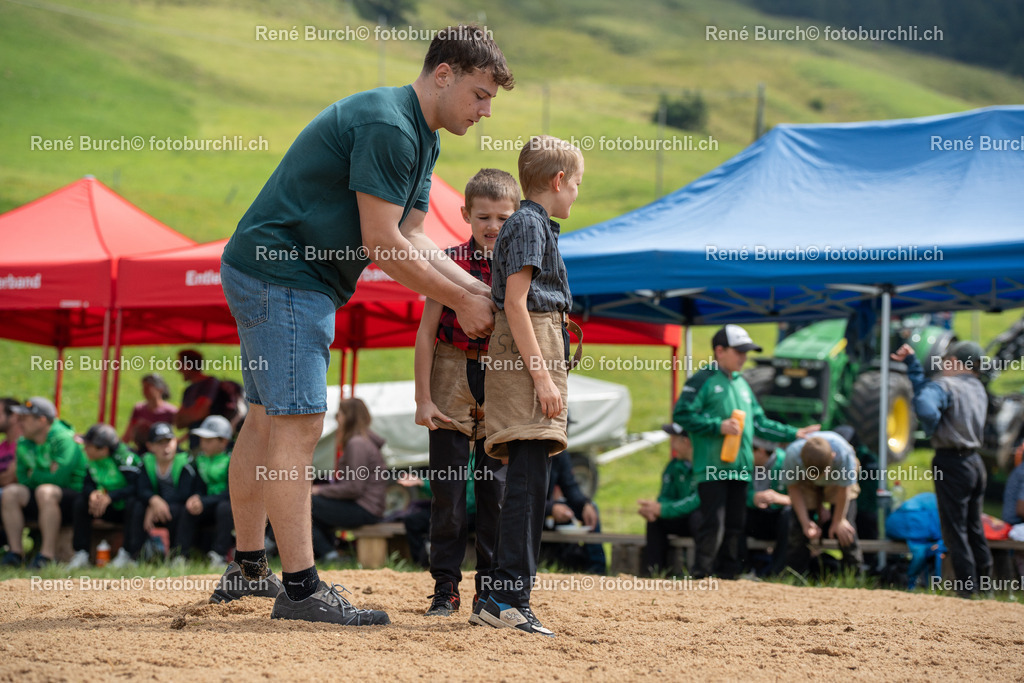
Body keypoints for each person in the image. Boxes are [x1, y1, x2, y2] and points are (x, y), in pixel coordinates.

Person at [215, 26, 513, 626]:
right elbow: (382, 246)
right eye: (480, 95)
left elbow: (416, 235)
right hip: (289, 275)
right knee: (298, 422)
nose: (485, 112)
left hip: (264, 268)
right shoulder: (390, 126)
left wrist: (477, 289)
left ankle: (248, 570)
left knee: (268, 415)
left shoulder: (420, 135)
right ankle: (299, 590)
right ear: (445, 73)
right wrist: (461, 303)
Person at [479, 135, 583, 637]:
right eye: (577, 184)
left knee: (530, 476)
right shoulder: (526, 225)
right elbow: (516, 303)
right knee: (525, 479)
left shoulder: (534, 225)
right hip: (527, 354)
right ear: (558, 181)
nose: (576, 193)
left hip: (539, 344)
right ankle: (507, 595)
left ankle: (502, 592)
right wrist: (542, 376)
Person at [413, 168, 517, 618]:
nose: (492, 226)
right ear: (466, 215)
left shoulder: (521, 266)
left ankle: (489, 589)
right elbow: (426, 334)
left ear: (515, 218)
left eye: (501, 217)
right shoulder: (447, 261)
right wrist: (423, 398)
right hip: (451, 372)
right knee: (449, 493)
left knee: (494, 491)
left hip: (502, 377)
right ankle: (445, 588)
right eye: (483, 217)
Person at [673, 325, 818, 580]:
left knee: (735, 526)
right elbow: (682, 414)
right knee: (713, 524)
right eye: (739, 351)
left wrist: (793, 433)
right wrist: (718, 426)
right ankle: (701, 576)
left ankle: (729, 576)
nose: (743, 357)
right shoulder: (702, 379)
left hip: (741, 469)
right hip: (712, 468)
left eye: (746, 352)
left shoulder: (743, 384)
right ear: (720, 351)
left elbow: (760, 423)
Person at [892, 340, 992, 598]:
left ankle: (966, 592)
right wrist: (914, 365)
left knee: (953, 529)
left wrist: (932, 425)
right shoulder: (978, 387)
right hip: (975, 462)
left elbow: (924, 404)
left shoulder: (946, 384)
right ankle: (987, 588)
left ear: (956, 362)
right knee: (974, 526)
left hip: (951, 461)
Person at [0, 397, 87, 568]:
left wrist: (34, 474)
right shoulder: (24, 442)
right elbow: (23, 478)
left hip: (72, 497)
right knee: (11, 492)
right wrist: (44, 473)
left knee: (45, 491)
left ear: (42, 420)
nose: (20, 423)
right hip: (41, 494)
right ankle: (15, 553)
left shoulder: (63, 438)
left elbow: (59, 479)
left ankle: (46, 556)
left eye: (25, 418)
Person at [309, 399, 387, 561]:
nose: (337, 418)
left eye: (340, 414)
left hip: (364, 509)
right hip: (369, 507)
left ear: (349, 417)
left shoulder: (357, 444)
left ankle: (330, 555)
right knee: (312, 508)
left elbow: (353, 488)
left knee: (307, 503)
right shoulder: (363, 441)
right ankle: (329, 552)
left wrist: (319, 490)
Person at [782, 431, 863, 574]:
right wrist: (805, 521)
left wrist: (839, 520)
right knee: (797, 527)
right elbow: (793, 489)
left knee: (845, 529)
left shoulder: (844, 454)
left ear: (833, 457)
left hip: (838, 483)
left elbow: (844, 490)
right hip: (806, 480)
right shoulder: (792, 454)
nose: (821, 479)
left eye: (823, 473)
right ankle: (795, 574)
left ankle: (854, 574)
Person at [67, 424, 142, 569]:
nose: (85, 448)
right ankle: (81, 554)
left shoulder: (125, 459)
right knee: (80, 502)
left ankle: (128, 555)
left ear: (104, 449)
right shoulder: (91, 459)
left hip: (124, 508)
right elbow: (87, 484)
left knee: (135, 504)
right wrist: (92, 494)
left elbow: (136, 487)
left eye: (89, 445)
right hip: (103, 507)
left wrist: (111, 497)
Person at [639, 423, 701, 577]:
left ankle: (700, 572)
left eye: (674, 439)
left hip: (698, 519)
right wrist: (654, 509)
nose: (671, 444)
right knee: (655, 521)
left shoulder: (705, 467)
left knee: (698, 518)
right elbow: (664, 497)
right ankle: (654, 573)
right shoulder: (673, 466)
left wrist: (663, 509)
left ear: (686, 442)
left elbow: (697, 501)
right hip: (678, 516)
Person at [130, 423, 198, 562]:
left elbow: (185, 493)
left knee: (180, 510)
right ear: (150, 446)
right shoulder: (146, 462)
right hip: (156, 506)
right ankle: (134, 555)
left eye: (168, 441)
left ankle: (179, 555)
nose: (165, 447)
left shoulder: (185, 461)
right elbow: (141, 489)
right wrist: (153, 502)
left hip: (176, 507)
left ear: (176, 442)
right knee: (137, 506)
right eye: (159, 443)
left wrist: (158, 504)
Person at [177, 415, 235, 568]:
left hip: (228, 505)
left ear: (224, 441)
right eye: (202, 439)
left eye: (208, 440)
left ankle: (219, 555)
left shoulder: (233, 459)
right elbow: (198, 485)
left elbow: (232, 493)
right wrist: (195, 498)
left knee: (224, 508)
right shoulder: (200, 459)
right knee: (187, 509)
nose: (203, 444)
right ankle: (181, 555)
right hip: (207, 504)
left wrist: (204, 501)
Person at [540, 450, 605, 575]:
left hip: (548, 506)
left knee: (591, 508)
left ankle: (597, 571)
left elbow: (570, 486)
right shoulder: (528, 448)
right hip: (529, 509)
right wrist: (550, 508)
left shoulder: (559, 451)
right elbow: (521, 496)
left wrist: (584, 503)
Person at [746, 436, 792, 576]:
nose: (745, 454)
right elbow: (734, 496)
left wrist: (780, 498)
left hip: (778, 518)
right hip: (755, 517)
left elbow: (806, 499)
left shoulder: (787, 461)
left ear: (760, 450)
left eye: (749, 450)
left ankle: (779, 572)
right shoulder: (745, 464)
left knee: (789, 515)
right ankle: (744, 570)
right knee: (736, 513)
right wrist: (751, 497)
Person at [123, 374, 178, 453]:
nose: (144, 391)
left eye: (148, 388)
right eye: (143, 387)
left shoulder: (170, 411)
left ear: (160, 389)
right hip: (141, 450)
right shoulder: (139, 409)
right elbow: (128, 434)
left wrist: (175, 443)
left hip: (161, 451)